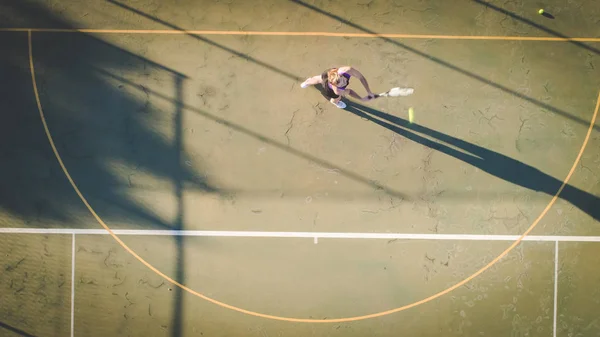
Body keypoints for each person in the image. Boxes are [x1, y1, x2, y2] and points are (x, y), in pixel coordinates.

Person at [300, 66, 376, 109]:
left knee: (320, 78)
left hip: (329, 72)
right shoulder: (337, 91)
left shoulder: (347, 70)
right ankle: (336, 103)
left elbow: (361, 77)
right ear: (335, 85)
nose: (344, 83)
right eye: (341, 84)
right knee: (336, 98)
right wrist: (361, 99)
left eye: (343, 80)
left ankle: (309, 81)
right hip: (330, 89)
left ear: (340, 74)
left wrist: (369, 91)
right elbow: (349, 92)